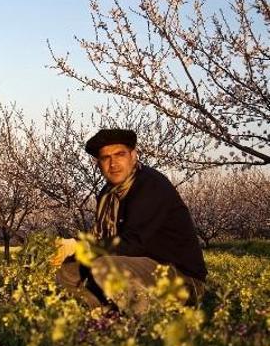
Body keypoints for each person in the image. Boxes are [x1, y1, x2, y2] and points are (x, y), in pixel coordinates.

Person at [53, 129, 207, 313]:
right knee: (68, 272)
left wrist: (81, 248)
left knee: (104, 266)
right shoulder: (108, 194)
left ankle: (142, 319)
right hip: (140, 269)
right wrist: (69, 249)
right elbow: (104, 239)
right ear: (98, 164)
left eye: (120, 154)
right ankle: (102, 312)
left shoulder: (150, 185)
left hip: (181, 279)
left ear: (134, 156)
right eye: (105, 158)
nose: (113, 164)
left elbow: (133, 244)